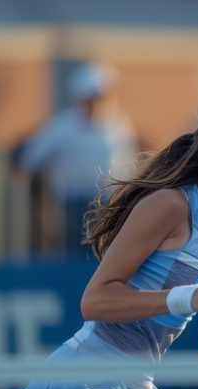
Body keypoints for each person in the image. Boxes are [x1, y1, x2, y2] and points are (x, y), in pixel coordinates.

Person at [21, 98, 198, 389]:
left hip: (137, 384)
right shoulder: (168, 205)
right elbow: (94, 302)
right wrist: (190, 297)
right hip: (84, 374)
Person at [21, 63, 136, 255]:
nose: (97, 103)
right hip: (73, 203)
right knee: (75, 254)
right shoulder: (62, 127)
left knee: (106, 255)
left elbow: (127, 165)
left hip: (110, 203)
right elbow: (32, 158)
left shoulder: (119, 125)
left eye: (102, 97)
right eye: (92, 98)